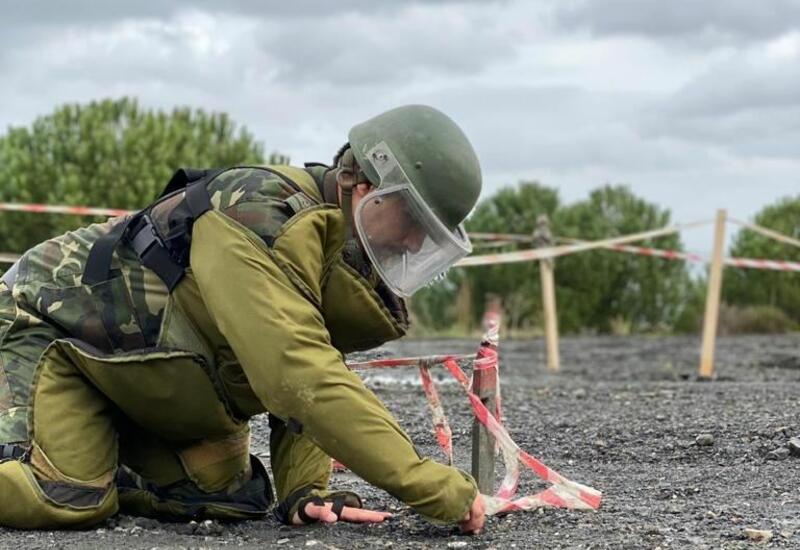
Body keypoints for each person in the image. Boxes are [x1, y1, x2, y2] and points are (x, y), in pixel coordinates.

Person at [0, 105, 485, 533]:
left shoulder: (334, 243)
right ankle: (79, 468)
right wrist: (433, 488)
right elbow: (296, 372)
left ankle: (104, 455)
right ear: (365, 187)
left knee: (228, 499)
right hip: (43, 327)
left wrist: (306, 493)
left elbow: (312, 354)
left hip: (132, 370)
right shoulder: (257, 217)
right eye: (413, 221)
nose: (413, 245)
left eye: (429, 236)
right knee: (63, 496)